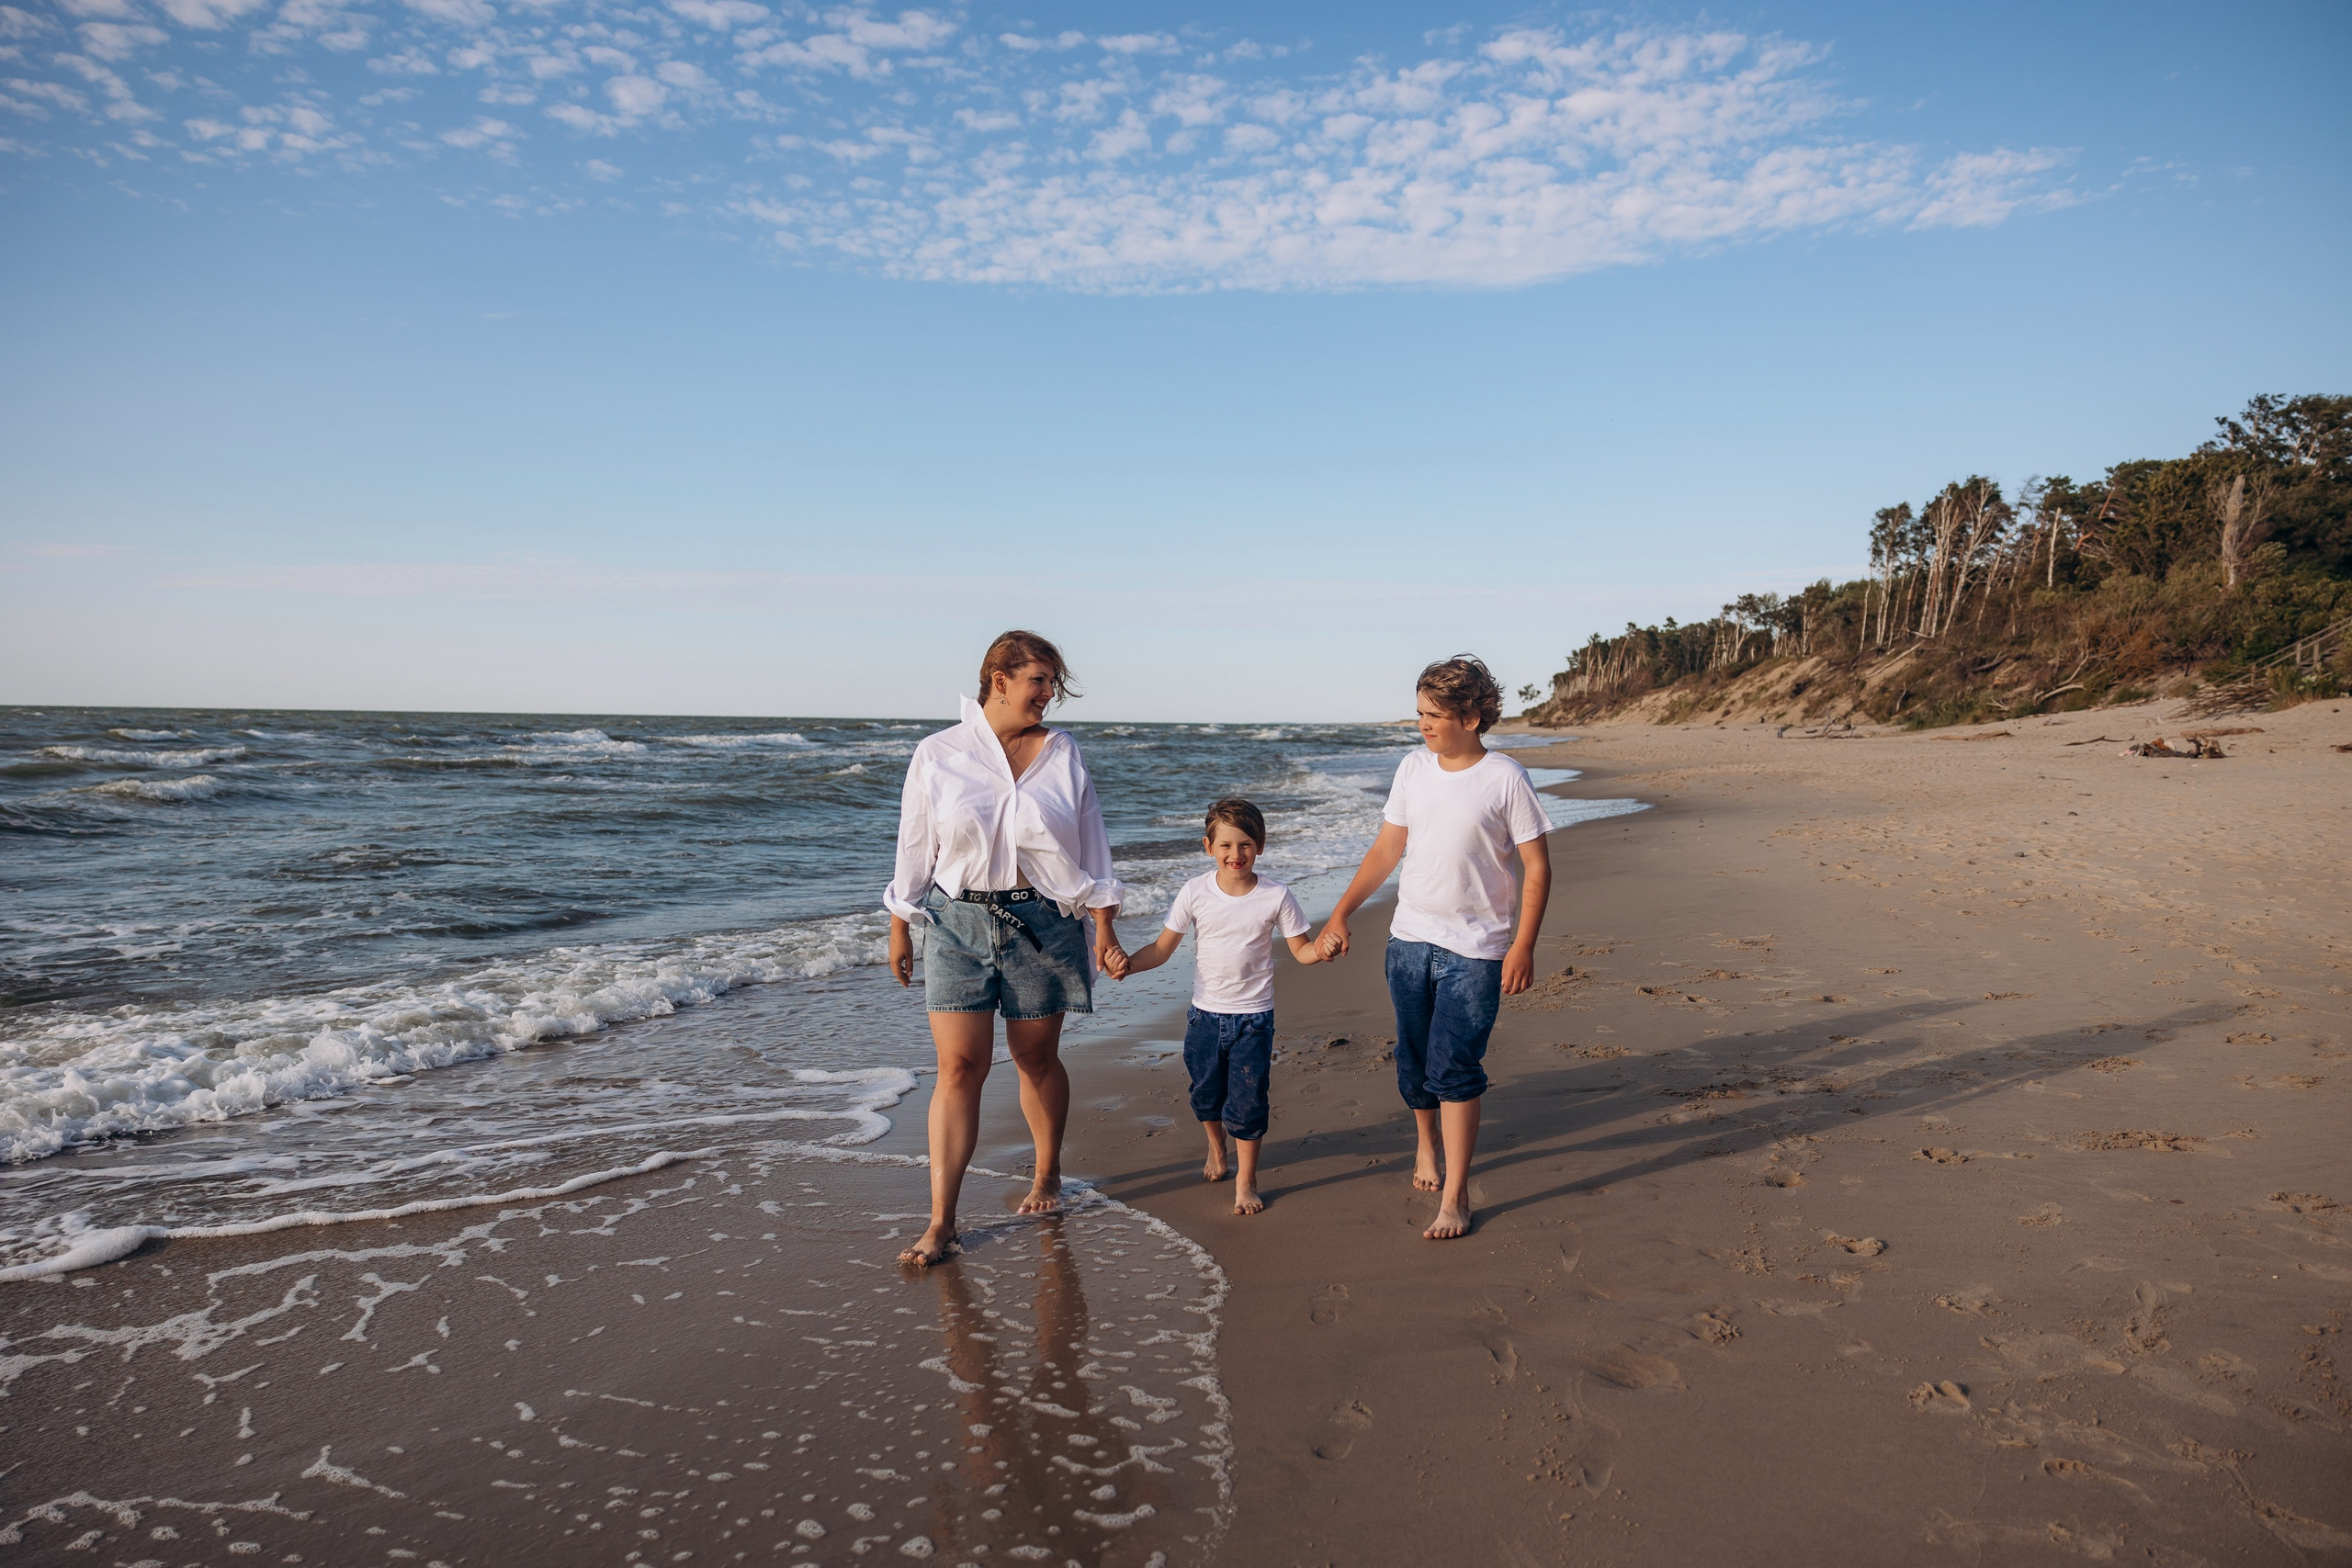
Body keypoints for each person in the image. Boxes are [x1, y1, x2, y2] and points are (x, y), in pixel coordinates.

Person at [883, 630, 1126, 1267]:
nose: (1048, 695)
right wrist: (901, 921)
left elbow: (1093, 843)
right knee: (959, 1067)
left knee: (1035, 1057)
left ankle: (1047, 1173)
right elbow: (916, 843)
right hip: (956, 923)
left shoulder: (1062, 753)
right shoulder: (939, 753)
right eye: (1038, 681)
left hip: (1042, 922)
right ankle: (941, 1221)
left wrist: (1104, 924)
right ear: (999, 680)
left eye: (1052, 683)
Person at [1317, 656, 1552, 1240]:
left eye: (1434, 715)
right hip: (1409, 941)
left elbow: (1537, 866)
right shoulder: (1412, 769)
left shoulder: (1505, 777)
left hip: (1476, 950)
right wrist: (1341, 912)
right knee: (1415, 1060)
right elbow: (1386, 849)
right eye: (1419, 712)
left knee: (1455, 1066)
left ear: (1471, 718)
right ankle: (1426, 1145)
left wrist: (1523, 945)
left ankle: (1456, 1195)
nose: (1422, 724)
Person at [1117, 797, 1336, 1215]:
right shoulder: (1195, 891)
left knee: (1249, 1100)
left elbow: (1301, 950)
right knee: (1205, 1094)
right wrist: (1128, 964)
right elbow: (1162, 950)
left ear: (1261, 846)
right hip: (1204, 1015)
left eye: (1246, 844)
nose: (1236, 854)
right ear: (1208, 847)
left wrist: (1322, 950)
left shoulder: (1276, 895)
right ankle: (1217, 1147)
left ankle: (1246, 1180)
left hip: (1254, 1018)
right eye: (1226, 845)